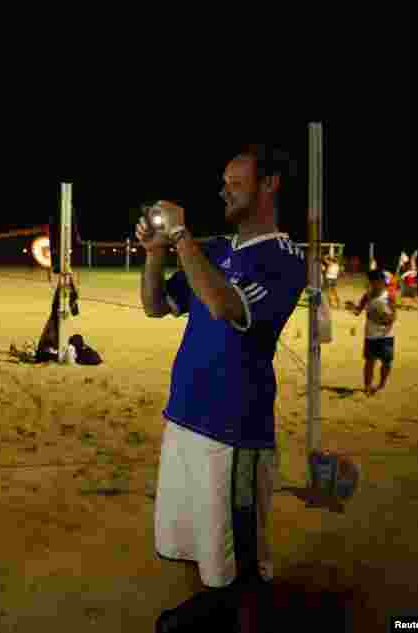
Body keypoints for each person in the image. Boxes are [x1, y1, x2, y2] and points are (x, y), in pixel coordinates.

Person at [138, 145, 307, 631]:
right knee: (194, 545)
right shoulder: (214, 249)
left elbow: (224, 306)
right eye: (224, 182)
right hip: (184, 417)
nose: (223, 190)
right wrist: (154, 253)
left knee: (240, 561)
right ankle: (207, 618)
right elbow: (155, 305)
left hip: (233, 433)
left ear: (269, 185)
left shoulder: (284, 257)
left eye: (235, 182)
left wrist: (182, 237)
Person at [352, 269, 397, 396]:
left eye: (380, 281)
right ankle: (367, 386)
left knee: (386, 362)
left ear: (383, 281)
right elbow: (357, 311)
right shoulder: (368, 295)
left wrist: (385, 320)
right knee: (370, 361)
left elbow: (394, 316)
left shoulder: (389, 296)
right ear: (371, 282)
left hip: (386, 335)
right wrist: (352, 307)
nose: (377, 284)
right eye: (374, 282)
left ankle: (382, 384)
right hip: (370, 335)